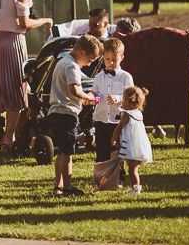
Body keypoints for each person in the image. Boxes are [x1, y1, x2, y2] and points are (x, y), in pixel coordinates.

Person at [0, 0, 53, 153]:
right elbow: (25, 24)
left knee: (5, 90)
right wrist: (44, 20)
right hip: (14, 42)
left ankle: (13, 137)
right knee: (17, 91)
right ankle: (8, 140)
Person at [47, 34, 103, 197]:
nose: (89, 64)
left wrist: (81, 100)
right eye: (90, 60)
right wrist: (89, 97)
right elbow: (74, 90)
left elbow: (67, 91)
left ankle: (58, 186)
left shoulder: (61, 62)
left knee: (61, 153)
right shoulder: (72, 67)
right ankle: (67, 187)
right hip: (67, 115)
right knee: (68, 153)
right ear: (82, 53)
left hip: (56, 112)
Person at [92, 38, 134, 163]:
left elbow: (131, 97)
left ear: (122, 57)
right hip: (101, 119)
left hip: (117, 121)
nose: (110, 63)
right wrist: (94, 99)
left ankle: (118, 178)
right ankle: (101, 179)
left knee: (116, 152)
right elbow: (96, 94)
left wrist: (119, 98)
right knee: (101, 152)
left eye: (114, 60)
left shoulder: (126, 77)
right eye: (107, 59)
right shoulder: (99, 77)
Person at [111, 86, 153, 194]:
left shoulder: (126, 114)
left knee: (132, 170)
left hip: (131, 146)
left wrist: (114, 138)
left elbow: (119, 128)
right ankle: (135, 187)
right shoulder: (138, 113)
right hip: (138, 145)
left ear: (128, 101)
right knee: (133, 169)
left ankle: (136, 188)